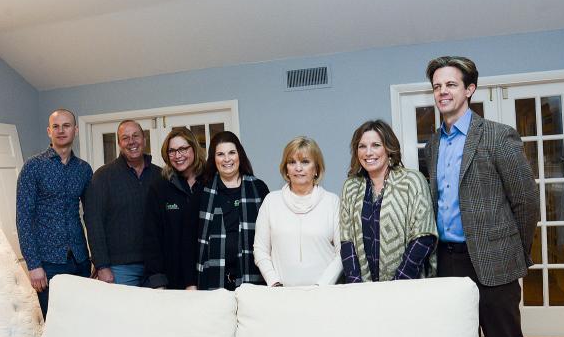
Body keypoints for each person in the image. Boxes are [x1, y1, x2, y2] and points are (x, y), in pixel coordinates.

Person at [424, 56, 540, 337]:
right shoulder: (432, 145)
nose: (443, 92)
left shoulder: (496, 136)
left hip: (494, 266)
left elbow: (526, 202)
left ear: (470, 90)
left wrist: (512, 252)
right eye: (437, 86)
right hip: (449, 264)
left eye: (451, 84)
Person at [16, 108, 93, 319]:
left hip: (79, 259)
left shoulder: (83, 169)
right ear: (49, 131)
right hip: (47, 262)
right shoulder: (33, 167)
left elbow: (91, 215)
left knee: (81, 318)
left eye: (66, 126)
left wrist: (95, 257)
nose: (61, 130)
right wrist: (33, 265)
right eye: (56, 127)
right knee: (55, 323)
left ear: (75, 130)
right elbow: (24, 218)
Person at [339, 120, 437, 283]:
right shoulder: (351, 187)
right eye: (362, 146)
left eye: (376, 145)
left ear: (388, 148)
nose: (368, 152)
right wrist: (355, 284)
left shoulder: (412, 181)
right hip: (363, 289)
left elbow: (424, 236)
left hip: (407, 284)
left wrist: (399, 283)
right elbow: (346, 240)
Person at [183, 131, 269, 290]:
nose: (227, 159)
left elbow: (270, 237)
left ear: (239, 155)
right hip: (211, 280)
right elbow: (189, 240)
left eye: (232, 152)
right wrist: (190, 283)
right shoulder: (202, 190)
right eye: (220, 154)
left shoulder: (259, 188)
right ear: (213, 159)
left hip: (254, 281)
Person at [253, 137, 341, 286]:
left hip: (323, 293)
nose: (298, 168)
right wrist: (274, 282)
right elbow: (260, 249)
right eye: (292, 162)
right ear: (286, 169)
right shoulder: (271, 201)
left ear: (316, 169)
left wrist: (321, 286)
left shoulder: (332, 202)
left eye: (305, 162)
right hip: (282, 294)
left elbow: (342, 253)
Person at [84, 119, 161, 286]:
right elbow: (94, 223)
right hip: (119, 269)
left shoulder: (160, 175)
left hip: (156, 266)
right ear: (119, 143)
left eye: (136, 136)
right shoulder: (103, 176)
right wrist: (101, 266)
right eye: (125, 138)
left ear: (144, 140)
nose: (131, 141)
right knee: (122, 305)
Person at [143, 128, 206, 289]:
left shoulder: (210, 182)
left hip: (208, 276)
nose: (178, 156)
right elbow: (152, 238)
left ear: (194, 149)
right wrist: (158, 280)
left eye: (183, 149)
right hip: (172, 279)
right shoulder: (159, 187)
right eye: (172, 151)